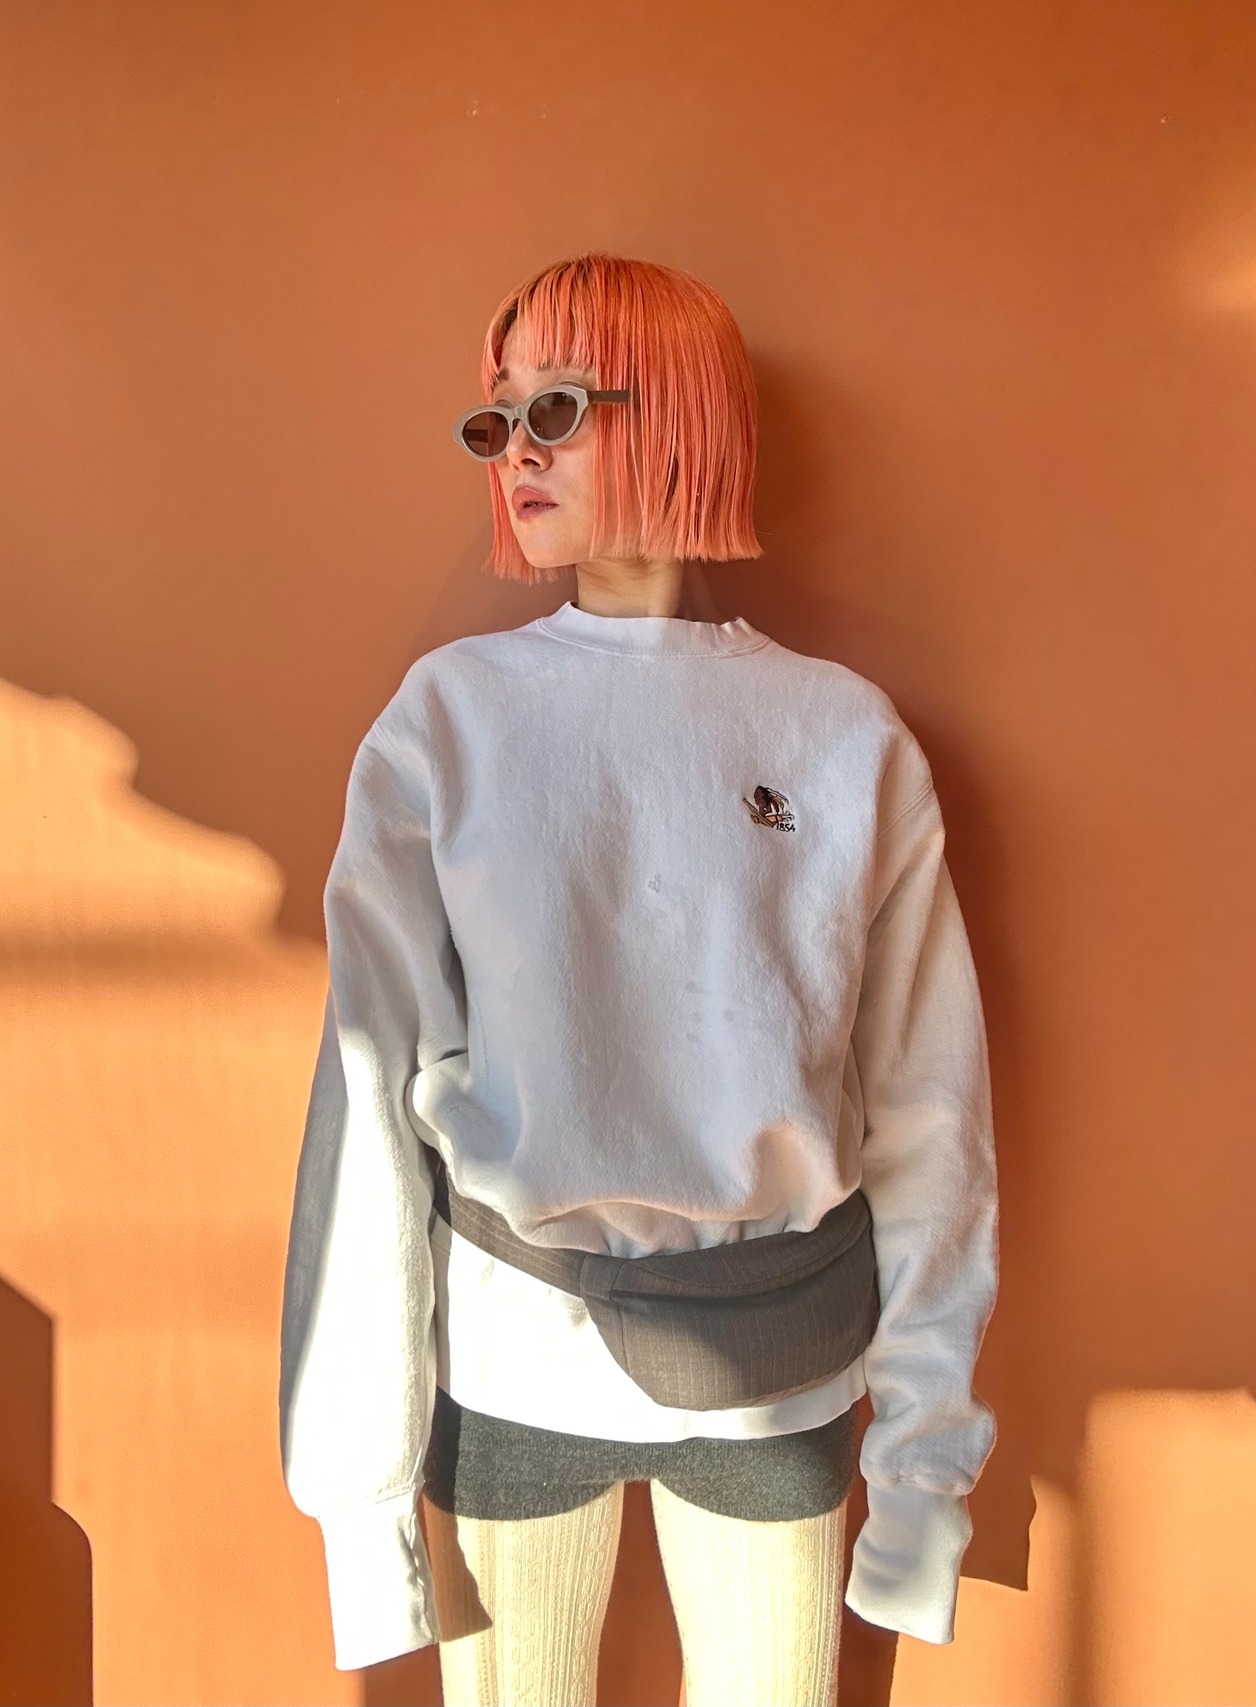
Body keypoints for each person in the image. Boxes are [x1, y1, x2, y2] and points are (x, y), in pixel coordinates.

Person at [278, 252, 1000, 1707]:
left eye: (556, 405)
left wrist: (924, 1473)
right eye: (496, 420)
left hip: (783, 1360)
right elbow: (365, 1095)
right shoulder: (449, 722)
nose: (515, 451)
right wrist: (361, 1504)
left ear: (679, 411)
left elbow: (931, 1115)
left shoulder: (844, 737)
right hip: (513, 1350)